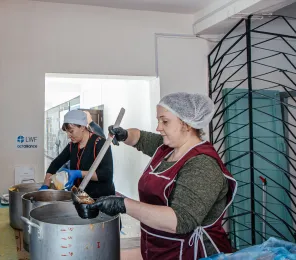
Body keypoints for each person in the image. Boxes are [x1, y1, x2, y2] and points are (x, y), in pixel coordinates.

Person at [89, 92, 237, 259]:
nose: (158, 127)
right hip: (159, 248)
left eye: (164, 121)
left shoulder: (202, 165)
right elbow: (140, 138)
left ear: (186, 124)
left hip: (192, 252)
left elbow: (181, 221)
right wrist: (124, 134)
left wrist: (124, 205)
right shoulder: (166, 148)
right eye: (158, 120)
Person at [40, 110, 115, 199]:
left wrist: (79, 173)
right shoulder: (73, 145)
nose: (68, 135)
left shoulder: (100, 144)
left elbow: (106, 174)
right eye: (67, 132)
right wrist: (45, 185)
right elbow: (56, 163)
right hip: (82, 197)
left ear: (82, 127)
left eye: (71, 131)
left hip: (102, 198)